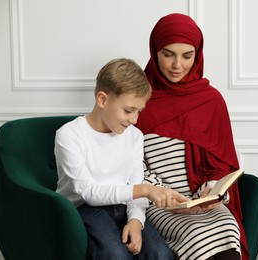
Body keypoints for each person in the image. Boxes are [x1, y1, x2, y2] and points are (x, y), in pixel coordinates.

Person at [136, 13, 249, 260]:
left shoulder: (211, 101)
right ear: (154, 52)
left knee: (228, 228)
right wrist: (164, 194)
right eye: (168, 54)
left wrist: (212, 191)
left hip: (201, 201)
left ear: (197, 55)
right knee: (196, 234)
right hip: (159, 201)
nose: (178, 65)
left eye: (187, 56)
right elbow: (130, 163)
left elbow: (221, 165)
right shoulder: (136, 99)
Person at [54, 58, 188, 260]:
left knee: (161, 254)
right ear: (102, 99)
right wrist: (145, 189)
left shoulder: (134, 136)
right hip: (83, 210)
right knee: (115, 255)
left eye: (138, 111)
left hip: (124, 206)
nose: (134, 120)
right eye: (128, 110)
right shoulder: (70, 135)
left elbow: (134, 186)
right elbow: (89, 193)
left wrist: (135, 221)